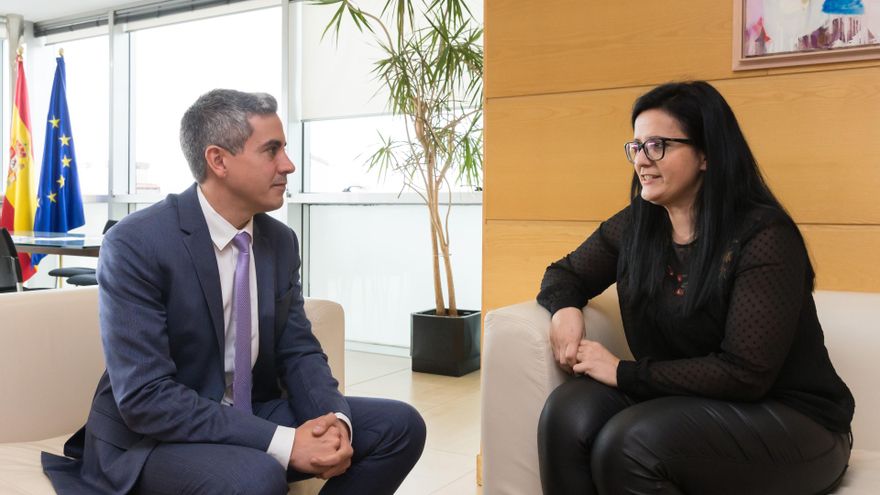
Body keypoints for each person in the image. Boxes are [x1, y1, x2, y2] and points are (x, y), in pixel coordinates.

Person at [42, 89, 426, 495]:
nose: (289, 165)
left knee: (399, 427)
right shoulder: (137, 243)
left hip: (249, 409)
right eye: (271, 150)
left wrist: (333, 422)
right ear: (218, 160)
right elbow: (146, 397)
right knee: (255, 475)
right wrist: (284, 442)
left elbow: (299, 350)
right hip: (152, 436)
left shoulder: (279, 241)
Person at [536, 81, 854, 494]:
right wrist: (565, 309)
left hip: (794, 420)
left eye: (657, 146)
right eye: (636, 147)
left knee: (630, 443)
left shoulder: (764, 236)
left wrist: (623, 372)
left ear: (706, 154)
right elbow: (564, 273)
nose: (642, 161)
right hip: (683, 404)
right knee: (567, 413)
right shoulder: (638, 225)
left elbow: (745, 374)